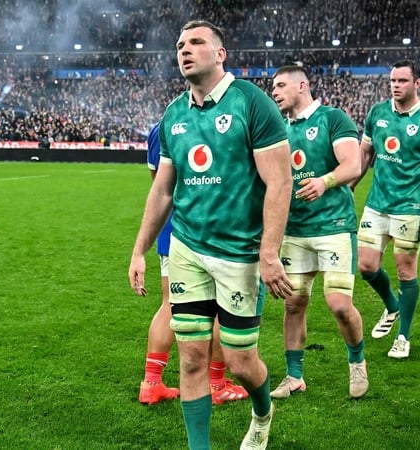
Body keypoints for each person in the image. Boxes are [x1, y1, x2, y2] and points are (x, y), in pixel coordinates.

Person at [128, 20, 293, 450]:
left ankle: (262, 412)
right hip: (187, 248)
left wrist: (270, 252)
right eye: (180, 44)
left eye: (197, 42)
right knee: (192, 357)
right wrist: (140, 249)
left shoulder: (251, 103)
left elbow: (280, 182)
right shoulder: (174, 114)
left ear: (221, 54)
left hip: (239, 253)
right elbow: (163, 189)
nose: (185, 49)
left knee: (240, 362)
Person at [268, 65, 368, 399]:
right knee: (293, 304)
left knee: (339, 304)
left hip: (333, 226)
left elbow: (353, 164)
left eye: (281, 85)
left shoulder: (331, 118)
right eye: (273, 87)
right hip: (294, 230)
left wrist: (324, 181)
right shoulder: (278, 127)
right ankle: (294, 376)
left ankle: (357, 363)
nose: (275, 92)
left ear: (302, 85)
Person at [350, 60, 420, 360]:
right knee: (366, 266)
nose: (396, 86)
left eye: (403, 81)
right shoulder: (378, 113)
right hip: (376, 204)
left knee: (406, 271)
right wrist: (351, 184)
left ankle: (403, 337)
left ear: (417, 83)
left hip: (410, 207)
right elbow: (365, 153)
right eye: (393, 80)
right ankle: (393, 306)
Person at [140, 122, 249, 406]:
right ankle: (217, 384)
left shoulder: (161, 128)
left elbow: (159, 184)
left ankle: (151, 383)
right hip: (206, 229)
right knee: (217, 309)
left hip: (169, 229)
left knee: (169, 304)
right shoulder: (216, 122)